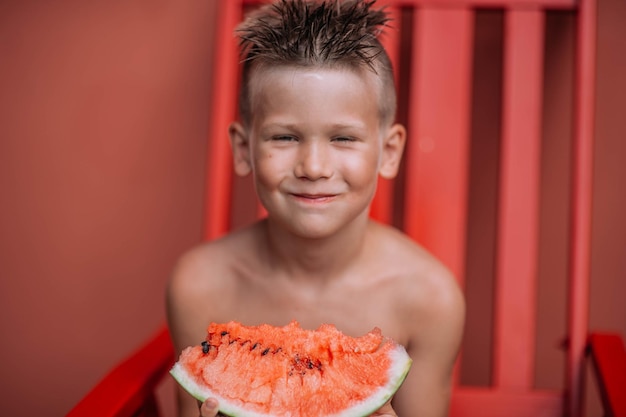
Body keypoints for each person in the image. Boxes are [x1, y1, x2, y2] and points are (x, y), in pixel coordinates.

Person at [166, 0, 465, 416]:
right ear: (242, 149)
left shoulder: (429, 299)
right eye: (285, 138)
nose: (314, 167)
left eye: (343, 138)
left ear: (389, 152)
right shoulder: (200, 286)